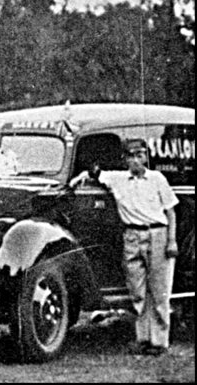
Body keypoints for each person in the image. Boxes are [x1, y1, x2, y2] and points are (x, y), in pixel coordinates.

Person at [71, 138, 179, 356]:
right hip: (132, 234)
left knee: (159, 290)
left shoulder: (157, 178)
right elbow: (95, 171)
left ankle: (159, 341)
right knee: (137, 290)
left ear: (145, 158)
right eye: (131, 156)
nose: (136, 161)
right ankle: (143, 338)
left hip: (157, 232)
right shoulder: (118, 179)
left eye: (140, 156)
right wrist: (83, 175)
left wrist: (171, 240)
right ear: (125, 159)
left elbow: (170, 211)